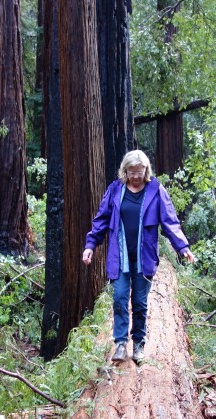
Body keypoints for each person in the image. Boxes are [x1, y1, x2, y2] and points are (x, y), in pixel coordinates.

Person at [83, 150, 196, 363]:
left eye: (140, 171)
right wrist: (90, 245)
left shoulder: (155, 190)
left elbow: (170, 222)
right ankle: (120, 343)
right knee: (119, 298)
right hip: (121, 257)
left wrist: (183, 247)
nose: (136, 176)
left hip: (144, 257)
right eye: (132, 171)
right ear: (125, 171)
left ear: (146, 170)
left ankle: (139, 344)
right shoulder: (116, 190)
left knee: (140, 303)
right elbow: (101, 220)